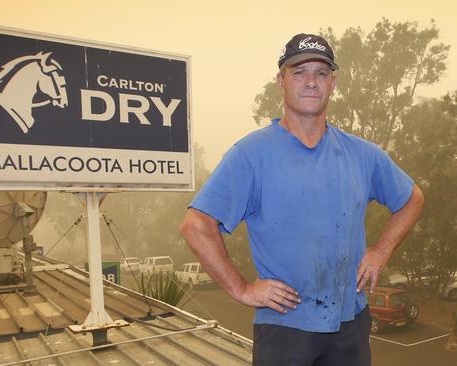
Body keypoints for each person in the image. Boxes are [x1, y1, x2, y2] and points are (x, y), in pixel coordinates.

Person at [179, 33, 424, 365]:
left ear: (333, 83)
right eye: (299, 71)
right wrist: (242, 289)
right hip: (285, 328)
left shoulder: (361, 154)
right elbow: (196, 225)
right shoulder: (251, 155)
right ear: (281, 80)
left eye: (321, 73)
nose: (311, 81)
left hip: (350, 324)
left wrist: (380, 252)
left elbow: (412, 199)